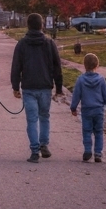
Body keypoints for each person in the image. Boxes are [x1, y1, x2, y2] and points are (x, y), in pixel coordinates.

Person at [11, 13, 65, 163]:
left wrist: (15, 86)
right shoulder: (49, 43)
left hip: (29, 87)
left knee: (32, 120)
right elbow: (57, 67)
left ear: (28, 25)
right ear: (41, 25)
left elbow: (16, 67)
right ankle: (44, 144)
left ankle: (35, 150)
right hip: (45, 86)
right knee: (44, 116)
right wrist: (58, 87)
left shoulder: (22, 44)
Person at [70, 52, 106, 163]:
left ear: (84, 65)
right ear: (97, 65)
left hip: (86, 110)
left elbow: (76, 94)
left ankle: (88, 150)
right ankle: (98, 153)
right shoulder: (101, 79)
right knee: (98, 132)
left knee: (87, 131)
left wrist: (73, 107)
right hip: (99, 109)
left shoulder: (80, 80)